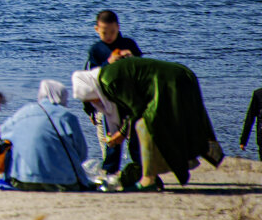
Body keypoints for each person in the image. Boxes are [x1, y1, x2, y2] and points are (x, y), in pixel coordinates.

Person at [72, 58, 223, 191]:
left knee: (145, 126)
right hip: (176, 79)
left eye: (94, 99)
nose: (96, 103)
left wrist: (122, 133)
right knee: (155, 126)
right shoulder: (106, 78)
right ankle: (153, 174)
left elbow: (136, 109)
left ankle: (148, 180)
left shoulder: (109, 82)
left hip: (170, 83)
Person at [0, 80, 92, 191]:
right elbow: (81, 153)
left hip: (22, 180)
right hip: (63, 181)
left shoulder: (23, 112)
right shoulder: (67, 117)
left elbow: (2, 134)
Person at [84, 9, 143, 179]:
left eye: (112, 32)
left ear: (118, 27)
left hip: (131, 101)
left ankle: (140, 169)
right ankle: (110, 172)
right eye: (104, 33)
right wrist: (89, 108)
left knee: (136, 139)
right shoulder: (96, 49)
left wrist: (131, 58)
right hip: (109, 102)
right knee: (112, 141)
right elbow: (91, 78)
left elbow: (143, 70)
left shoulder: (128, 44)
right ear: (97, 30)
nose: (109, 36)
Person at [240, 86, 262, 161]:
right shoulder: (258, 94)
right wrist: (243, 140)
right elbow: (250, 118)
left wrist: (243, 141)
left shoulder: (258, 94)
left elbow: (250, 119)